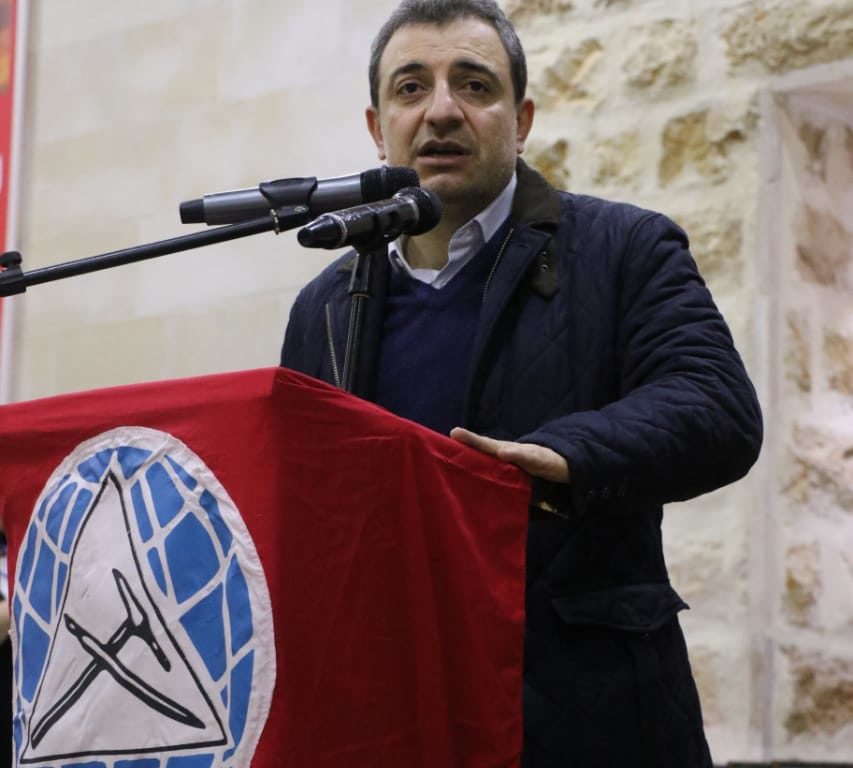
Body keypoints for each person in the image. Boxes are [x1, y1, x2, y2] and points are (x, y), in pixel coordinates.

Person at [281, 1, 763, 765]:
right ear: (377, 128)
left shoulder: (623, 249)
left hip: (587, 715)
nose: (441, 110)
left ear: (522, 119)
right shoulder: (325, 307)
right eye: (410, 88)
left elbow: (716, 408)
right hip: (395, 716)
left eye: (473, 85)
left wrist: (563, 458)